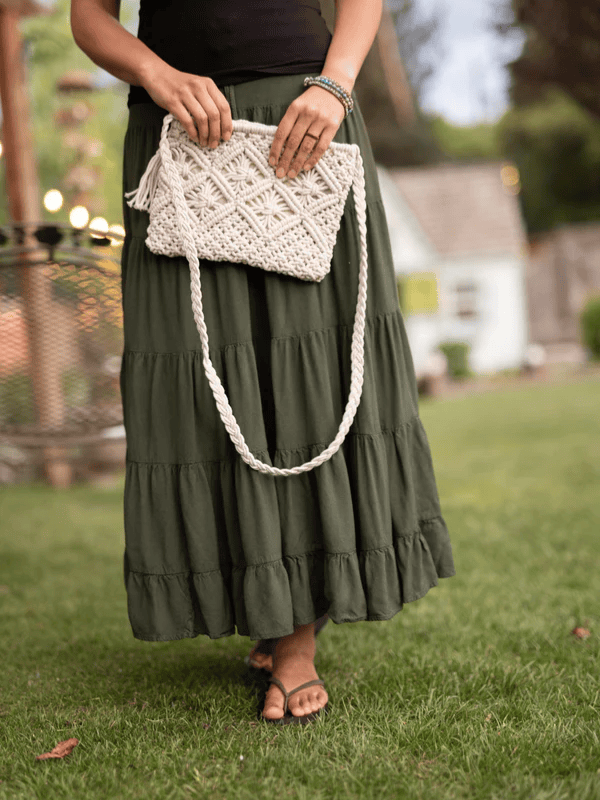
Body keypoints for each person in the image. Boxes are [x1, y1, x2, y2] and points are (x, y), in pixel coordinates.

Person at [71, 0, 456, 725]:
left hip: (303, 116)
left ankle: (296, 640)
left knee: (300, 378)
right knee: (200, 377)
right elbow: (87, 17)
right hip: (176, 129)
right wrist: (157, 75)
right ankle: (269, 602)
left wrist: (335, 84)